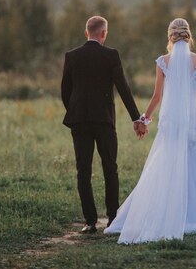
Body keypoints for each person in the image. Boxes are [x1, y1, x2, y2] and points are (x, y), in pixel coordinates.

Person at [105, 18, 196, 243]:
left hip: (170, 119)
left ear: (170, 37)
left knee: (168, 158)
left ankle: (167, 212)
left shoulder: (163, 62)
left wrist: (144, 119)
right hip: (191, 119)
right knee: (195, 155)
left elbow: (157, 96)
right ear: (189, 35)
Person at [61, 15, 147, 234]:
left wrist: (75, 110)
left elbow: (65, 91)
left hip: (79, 120)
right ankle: (112, 219)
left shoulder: (71, 56)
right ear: (103, 33)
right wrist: (136, 118)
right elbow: (123, 88)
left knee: (83, 170)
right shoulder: (111, 55)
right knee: (110, 168)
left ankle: (89, 222)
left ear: (86, 32)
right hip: (103, 120)